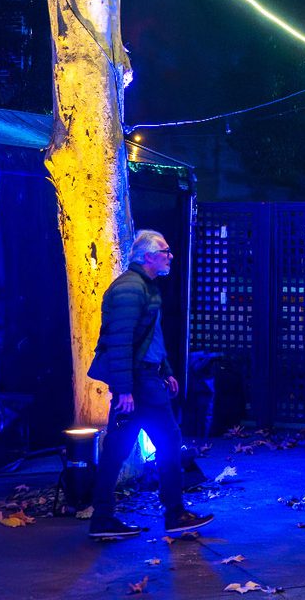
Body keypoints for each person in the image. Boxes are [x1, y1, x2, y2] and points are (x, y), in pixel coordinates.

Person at [87, 229, 214, 542]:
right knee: (169, 440)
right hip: (140, 382)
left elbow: (149, 339)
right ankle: (174, 514)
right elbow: (120, 342)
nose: (170, 256)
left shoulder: (145, 287)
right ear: (147, 257)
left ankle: (103, 517)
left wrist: (166, 369)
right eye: (165, 251)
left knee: (118, 448)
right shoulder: (131, 289)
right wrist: (126, 389)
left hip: (144, 377)